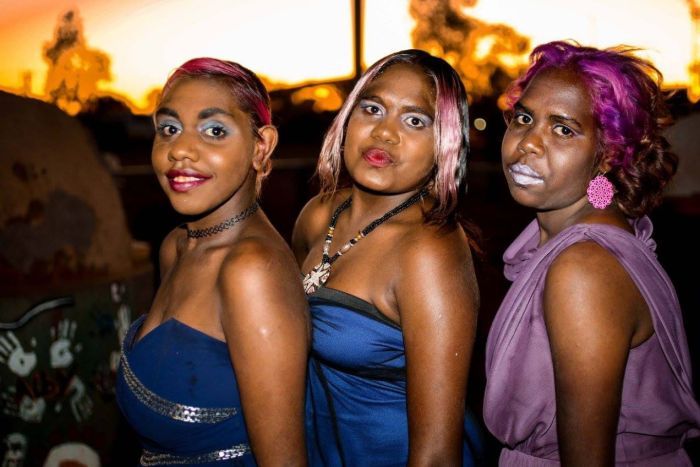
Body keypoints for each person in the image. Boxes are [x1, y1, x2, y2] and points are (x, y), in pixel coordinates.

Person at [484, 41, 700, 465]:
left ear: (607, 156)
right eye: (524, 118)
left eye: (563, 129)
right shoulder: (602, 236)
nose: (528, 143)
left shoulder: (583, 268)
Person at [292, 49, 483, 466]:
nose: (384, 133)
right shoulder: (318, 215)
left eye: (415, 120)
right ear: (347, 118)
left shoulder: (428, 251)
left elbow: (436, 454)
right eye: (373, 108)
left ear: (444, 143)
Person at [115, 58, 309, 466]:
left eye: (214, 130)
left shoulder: (252, 270)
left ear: (262, 146)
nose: (180, 150)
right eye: (168, 129)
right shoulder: (176, 247)